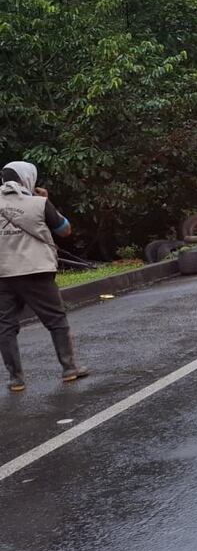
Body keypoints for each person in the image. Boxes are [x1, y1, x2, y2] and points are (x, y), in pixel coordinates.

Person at [1, 161, 88, 392]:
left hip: (3, 274)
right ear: (27, 178)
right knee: (56, 320)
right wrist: (48, 201)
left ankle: (16, 379)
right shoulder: (38, 203)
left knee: (5, 327)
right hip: (37, 272)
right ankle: (69, 369)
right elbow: (64, 230)